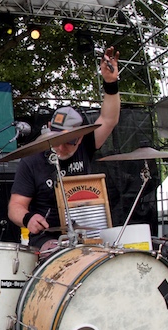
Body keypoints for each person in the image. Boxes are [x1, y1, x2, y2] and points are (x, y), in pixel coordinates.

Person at [7, 47, 121, 249]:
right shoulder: (32, 160)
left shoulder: (86, 144)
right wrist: (28, 218)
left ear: (81, 137)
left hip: (85, 235)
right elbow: (15, 206)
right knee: (58, 252)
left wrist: (111, 83)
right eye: (56, 139)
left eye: (70, 141)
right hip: (47, 238)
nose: (61, 147)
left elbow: (109, 119)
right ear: (49, 128)